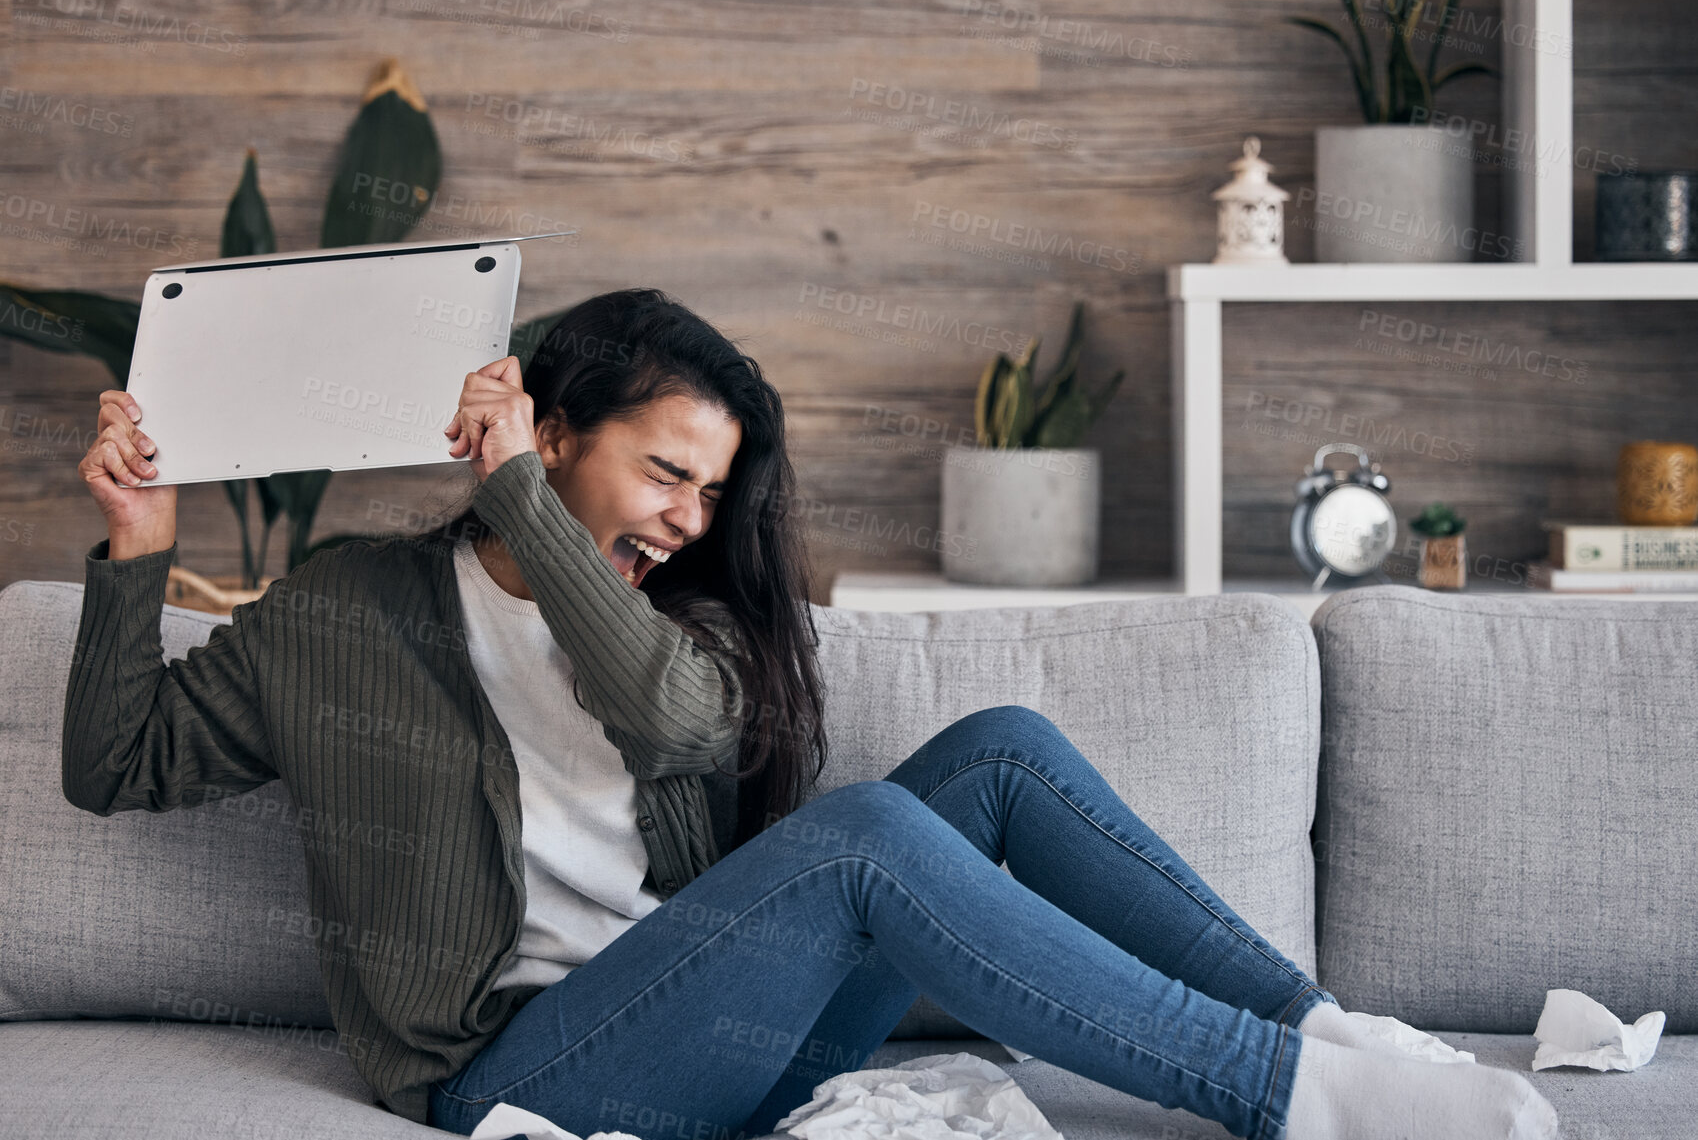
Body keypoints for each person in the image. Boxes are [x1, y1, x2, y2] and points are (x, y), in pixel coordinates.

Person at [70, 288, 1557, 1140]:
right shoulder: (341, 612)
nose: (687, 515)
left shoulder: (694, 619)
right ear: (552, 426)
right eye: (663, 472)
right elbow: (116, 765)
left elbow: (664, 719)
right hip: (514, 1073)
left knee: (1000, 755)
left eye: (712, 491)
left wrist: (543, 505)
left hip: (724, 1026)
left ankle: (1330, 1031)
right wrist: (140, 552)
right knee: (861, 841)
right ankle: (1289, 1097)